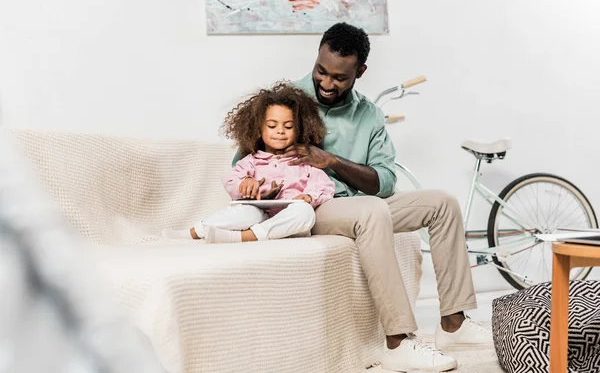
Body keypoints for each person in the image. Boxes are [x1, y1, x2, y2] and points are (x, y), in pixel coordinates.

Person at [233, 23, 492, 371]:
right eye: (321, 71)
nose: (326, 83)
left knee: (442, 203)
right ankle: (398, 341)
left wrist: (332, 161)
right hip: (309, 207)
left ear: (360, 72)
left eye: (339, 77)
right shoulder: (287, 100)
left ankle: (454, 323)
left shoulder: (368, 115)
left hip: (362, 202)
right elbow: (244, 162)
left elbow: (384, 180)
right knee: (371, 211)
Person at [163, 82, 335, 244]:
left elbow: (326, 187)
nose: (280, 131)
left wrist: (309, 197)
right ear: (259, 130)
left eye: (288, 127)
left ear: (299, 130)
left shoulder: (303, 163)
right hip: (258, 216)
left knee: (305, 213)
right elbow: (231, 181)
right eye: (272, 126)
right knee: (246, 212)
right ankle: (194, 232)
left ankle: (245, 237)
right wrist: (244, 184)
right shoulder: (251, 162)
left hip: (288, 220)